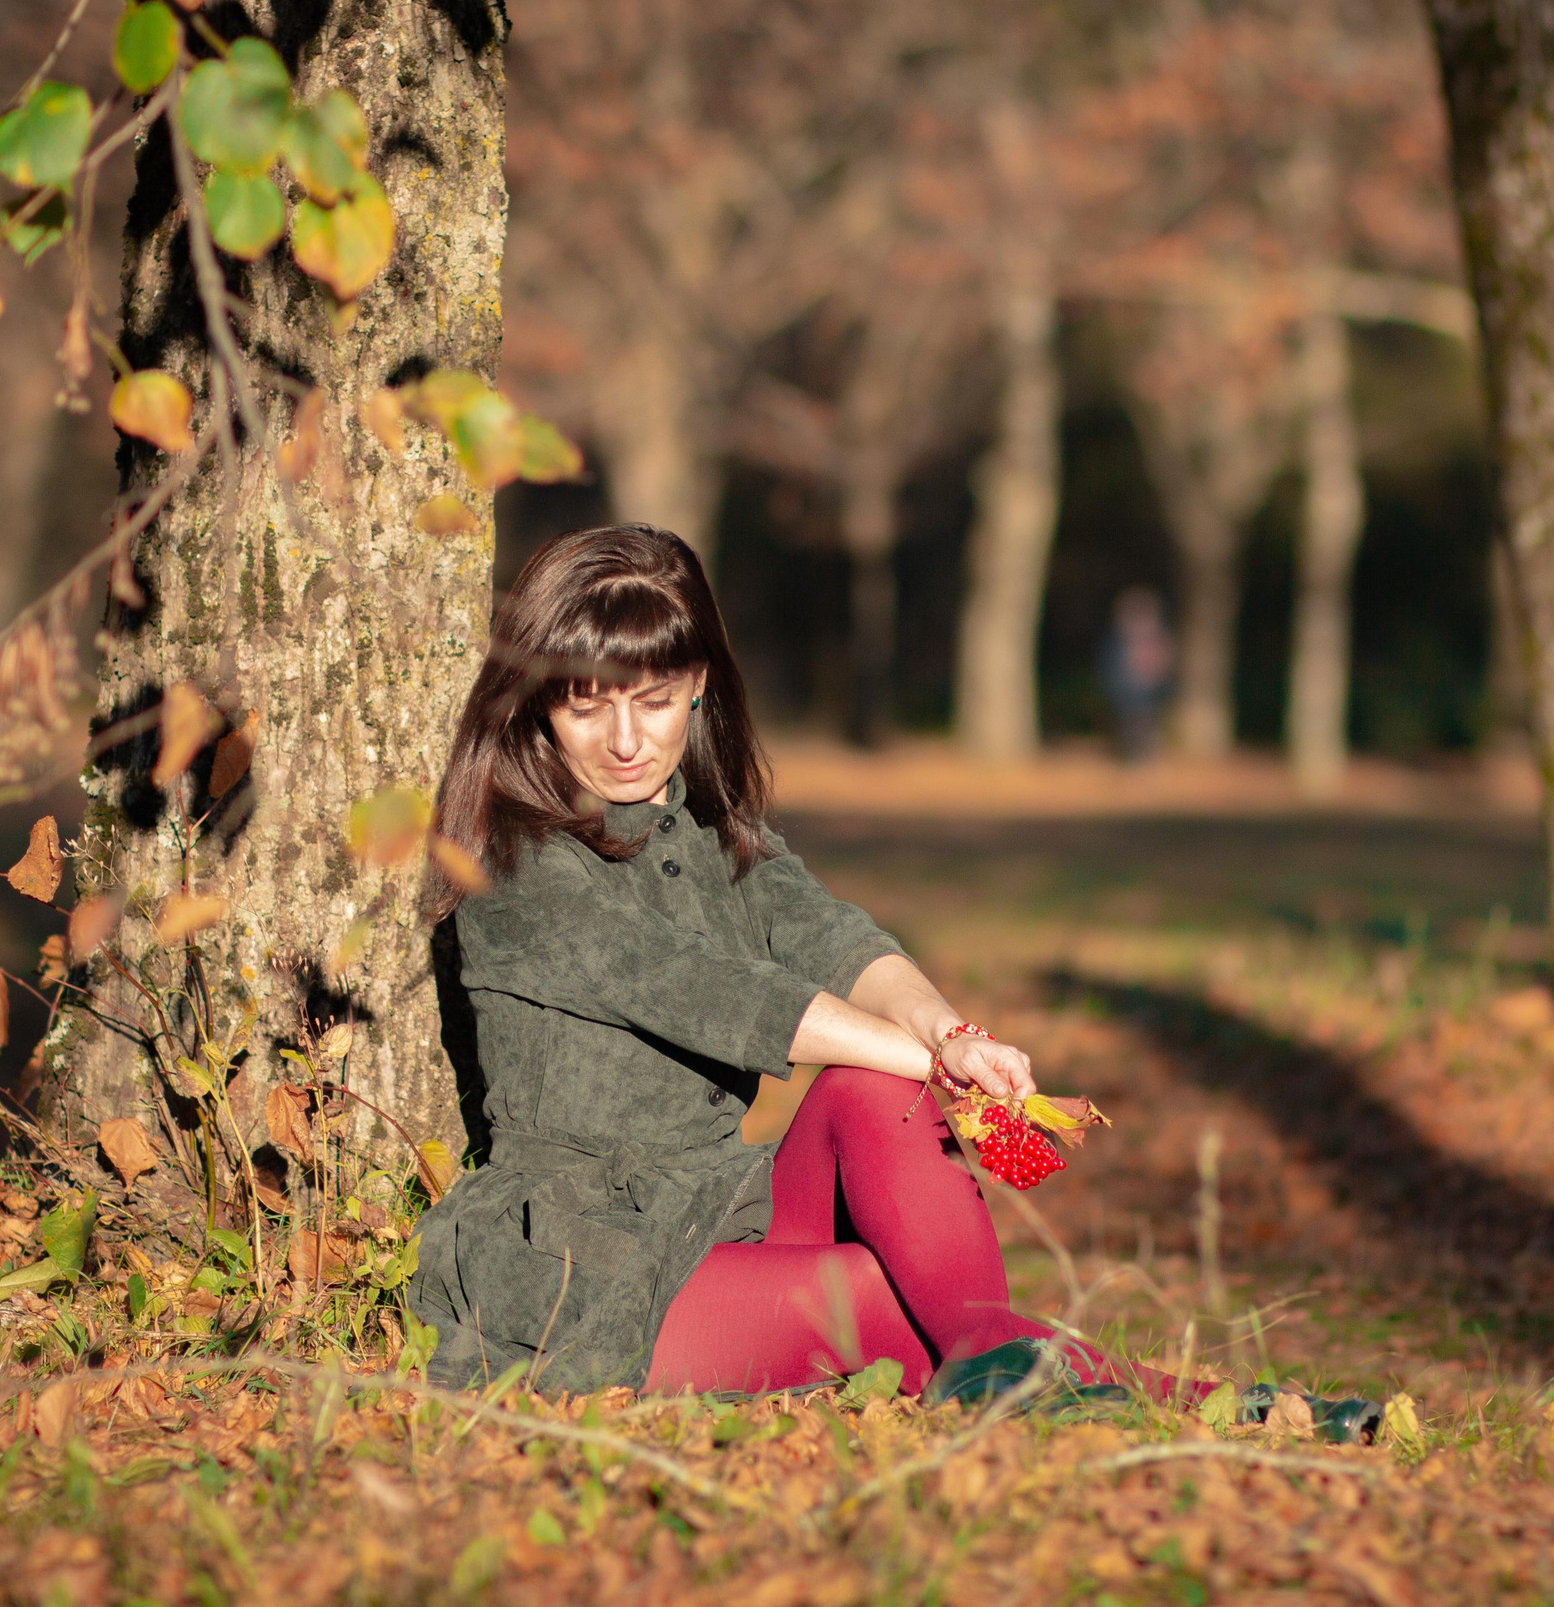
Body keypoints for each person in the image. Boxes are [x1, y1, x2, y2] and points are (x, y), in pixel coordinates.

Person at [407, 526, 1378, 1438]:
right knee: (898, 1299)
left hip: (719, 1206)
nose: (625, 739)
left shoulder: (706, 831)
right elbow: (708, 992)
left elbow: (832, 938)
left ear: (697, 684)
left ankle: (1118, 1386)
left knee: (884, 1100)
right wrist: (931, 1057)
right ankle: (1212, 1405)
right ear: (538, 700)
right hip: (588, 1259)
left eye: (652, 699)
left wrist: (949, 1038)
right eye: (587, 704)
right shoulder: (513, 863)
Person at [1098, 586, 1174, 762]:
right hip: (1128, 687)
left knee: (1145, 720)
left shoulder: (1154, 634)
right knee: (1130, 721)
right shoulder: (1120, 636)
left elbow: (1161, 659)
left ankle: (1143, 754)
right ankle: (1132, 754)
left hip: (1146, 688)